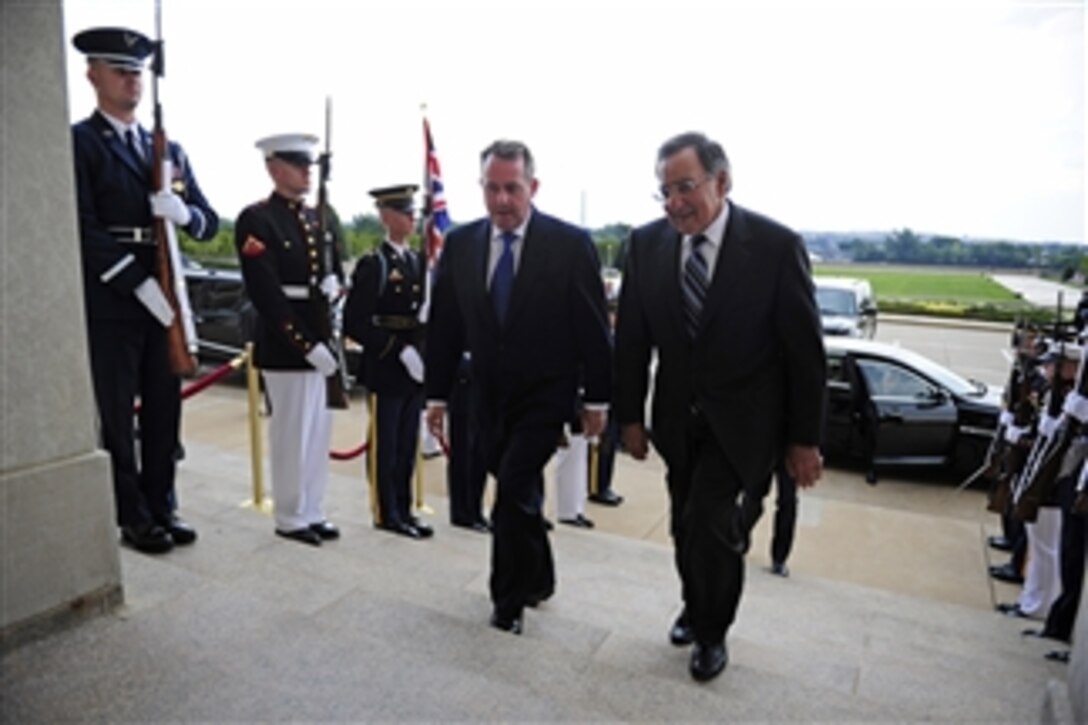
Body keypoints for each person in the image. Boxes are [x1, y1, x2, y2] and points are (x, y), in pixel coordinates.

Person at [614, 131, 826, 682]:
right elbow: (633, 341)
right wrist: (629, 419)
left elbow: (805, 352)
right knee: (686, 526)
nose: (675, 202)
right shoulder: (644, 245)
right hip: (677, 422)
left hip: (746, 424)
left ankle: (712, 634)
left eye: (686, 187)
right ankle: (695, 603)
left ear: (722, 181)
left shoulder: (776, 248)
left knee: (712, 522)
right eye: (664, 191)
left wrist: (804, 440)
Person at [425, 140, 612, 635]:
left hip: (545, 397)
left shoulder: (570, 245)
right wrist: (437, 395)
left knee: (510, 489)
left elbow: (594, 330)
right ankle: (540, 576)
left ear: (533, 187)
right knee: (518, 491)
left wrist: (596, 399)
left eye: (513, 188)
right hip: (485, 395)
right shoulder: (462, 245)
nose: (502, 200)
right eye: (492, 188)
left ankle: (506, 601)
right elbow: (445, 326)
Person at [71, 27, 219, 554]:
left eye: (137, 72)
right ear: (93, 75)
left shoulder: (168, 149)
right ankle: (131, 515)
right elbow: (82, 226)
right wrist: (135, 282)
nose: (132, 80)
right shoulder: (80, 142)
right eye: (120, 70)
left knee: (164, 406)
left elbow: (206, 220)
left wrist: (182, 212)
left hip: (165, 292)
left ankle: (163, 504)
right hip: (115, 296)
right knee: (117, 410)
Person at [234, 133, 345, 546]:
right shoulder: (257, 219)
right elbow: (265, 293)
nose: (306, 172)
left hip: (321, 334)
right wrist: (304, 343)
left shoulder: (321, 217)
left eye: (310, 165)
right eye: (298, 165)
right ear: (274, 168)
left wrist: (337, 284)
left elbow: (336, 267)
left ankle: (313, 509)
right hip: (286, 343)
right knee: (292, 432)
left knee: (317, 433)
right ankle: (289, 516)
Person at [344, 185, 432, 540]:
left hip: (414, 367)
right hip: (386, 365)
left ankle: (404, 508)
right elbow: (356, 322)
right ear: (386, 216)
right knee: (386, 444)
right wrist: (398, 349)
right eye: (404, 212)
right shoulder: (374, 264)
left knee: (407, 443)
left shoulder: (418, 263)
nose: (412, 219)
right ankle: (385, 512)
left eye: (413, 213)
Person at [446, 351, 490, 532]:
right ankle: (462, 511)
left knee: (480, 451)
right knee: (464, 449)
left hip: (484, 380)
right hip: (462, 380)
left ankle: (475, 508)